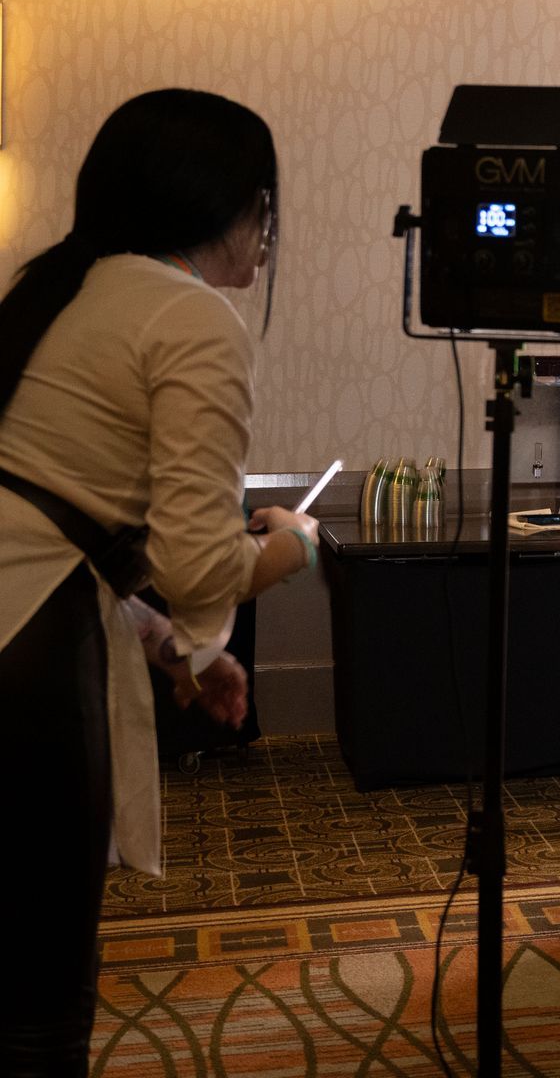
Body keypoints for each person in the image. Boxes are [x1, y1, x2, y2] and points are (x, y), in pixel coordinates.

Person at [0, 89, 320, 1075]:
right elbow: (201, 560)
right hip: (31, 660)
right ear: (227, 207)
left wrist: (188, 649)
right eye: (265, 208)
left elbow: (65, 517)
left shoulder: (70, 287)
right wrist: (296, 542)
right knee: (40, 973)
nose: (266, 236)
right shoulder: (194, 317)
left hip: (24, 615)